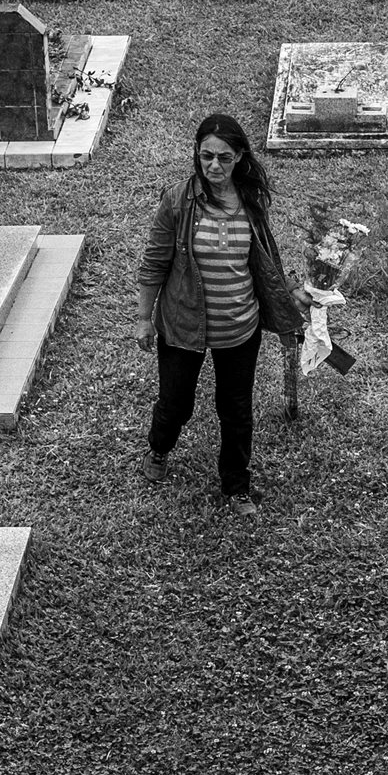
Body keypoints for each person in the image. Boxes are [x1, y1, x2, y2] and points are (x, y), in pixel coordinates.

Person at [137, 114, 306, 508]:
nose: (214, 165)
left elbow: (265, 260)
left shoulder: (250, 201)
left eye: (224, 158)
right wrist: (144, 318)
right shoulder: (177, 200)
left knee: (236, 409)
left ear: (239, 157)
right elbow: (154, 262)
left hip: (239, 328)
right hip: (182, 326)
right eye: (206, 156)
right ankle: (159, 448)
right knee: (175, 403)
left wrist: (293, 292)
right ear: (197, 154)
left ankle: (236, 484)